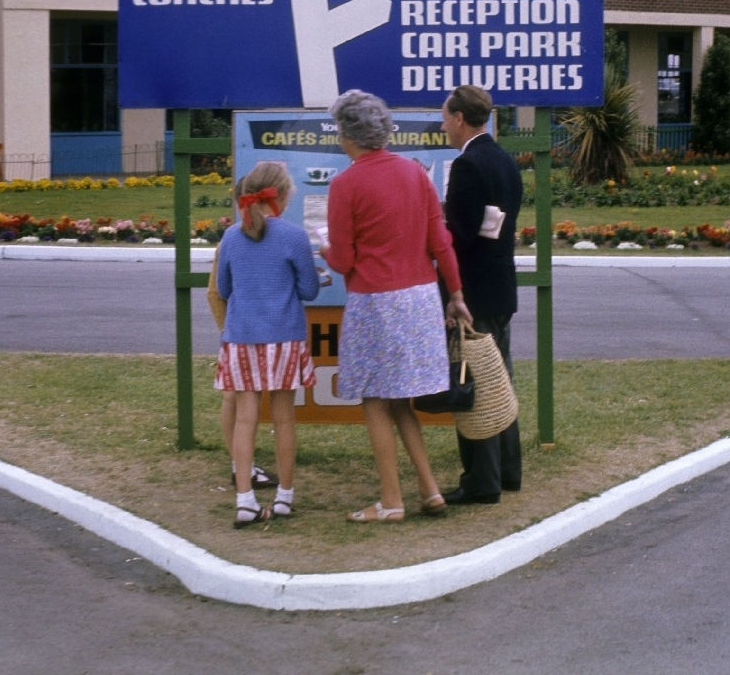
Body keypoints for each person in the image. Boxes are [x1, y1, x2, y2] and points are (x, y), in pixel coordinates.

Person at [320, 89, 472, 523]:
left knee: (373, 399)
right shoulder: (414, 174)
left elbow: (344, 260)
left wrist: (324, 249)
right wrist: (456, 294)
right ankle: (429, 489)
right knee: (401, 400)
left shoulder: (345, 184)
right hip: (421, 297)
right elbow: (439, 241)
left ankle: (391, 500)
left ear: (348, 133)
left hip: (375, 301)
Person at [214, 161, 320, 527]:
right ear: (282, 196)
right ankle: (285, 497)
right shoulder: (293, 237)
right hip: (285, 338)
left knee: (246, 420)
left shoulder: (230, 237)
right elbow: (308, 289)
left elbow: (224, 290)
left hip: (241, 339)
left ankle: (244, 499)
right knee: (284, 419)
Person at [439, 84, 523, 504]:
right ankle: (508, 471)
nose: (443, 125)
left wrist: (435, 226)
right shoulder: (505, 160)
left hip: (473, 291)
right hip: (500, 286)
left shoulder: (468, 165)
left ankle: (482, 481)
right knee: (500, 378)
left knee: (477, 385)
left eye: (444, 118)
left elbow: (459, 235)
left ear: (458, 118)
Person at [207, 178, 278, 493]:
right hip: (239, 332)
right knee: (234, 398)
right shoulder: (232, 240)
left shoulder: (242, 238)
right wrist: (228, 332)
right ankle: (241, 467)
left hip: (244, 332)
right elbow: (216, 292)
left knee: (238, 398)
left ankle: (242, 466)